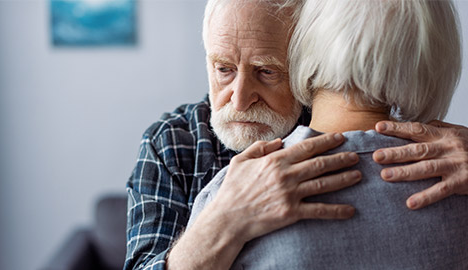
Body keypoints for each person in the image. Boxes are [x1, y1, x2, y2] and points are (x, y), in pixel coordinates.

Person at [124, 0, 468, 269]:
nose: (240, 99)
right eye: (223, 69)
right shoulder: (172, 141)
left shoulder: (341, 110)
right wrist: (223, 220)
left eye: (267, 71)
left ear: (309, 58)